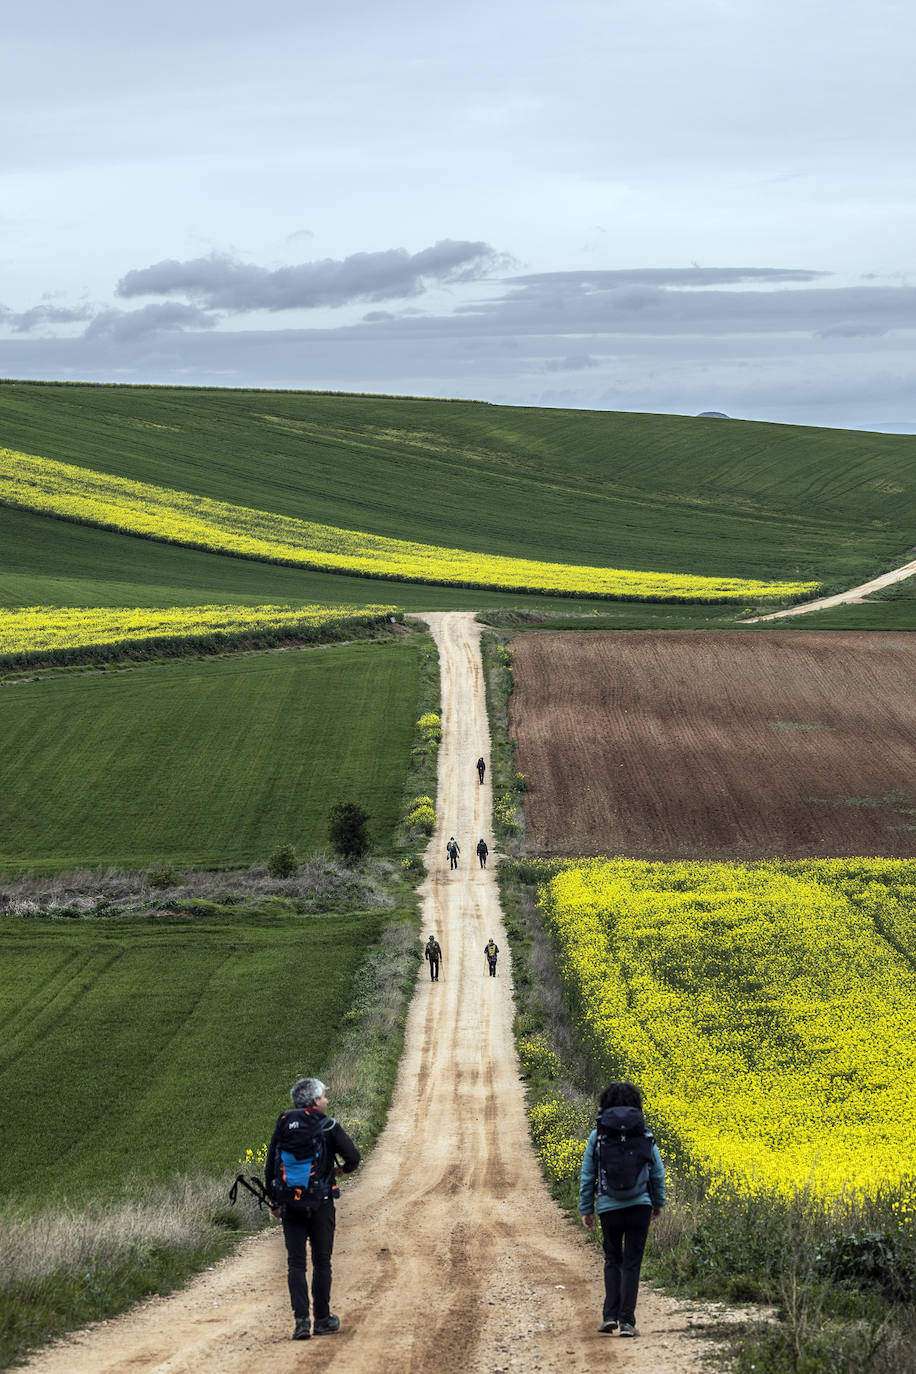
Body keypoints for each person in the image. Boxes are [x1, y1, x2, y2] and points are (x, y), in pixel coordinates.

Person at [266, 1077, 361, 1341]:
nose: (327, 1100)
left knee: (296, 1264)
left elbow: (270, 1165)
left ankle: (300, 1323)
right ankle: (322, 1320)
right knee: (322, 1262)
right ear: (315, 1101)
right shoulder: (327, 1126)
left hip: (290, 1205)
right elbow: (353, 1157)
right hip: (321, 1203)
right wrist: (342, 1170)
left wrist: (275, 1202)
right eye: (324, 1097)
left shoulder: (284, 1123)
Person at [579, 1081, 665, 1338]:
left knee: (612, 1259)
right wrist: (658, 1203)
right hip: (640, 1206)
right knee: (632, 1263)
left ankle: (609, 1316)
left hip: (608, 1206)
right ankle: (627, 1322)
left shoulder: (599, 1135)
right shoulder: (644, 1133)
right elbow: (657, 1172)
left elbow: (587, 1175)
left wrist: (587, 1208)